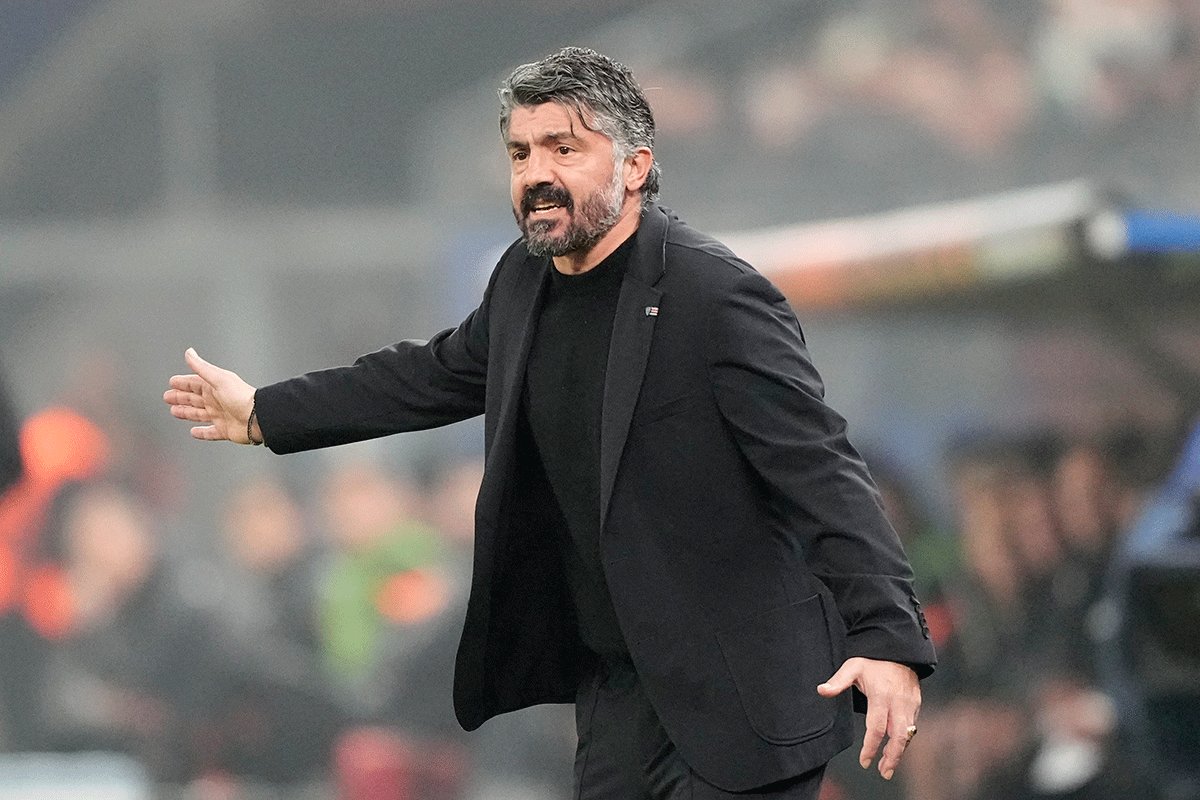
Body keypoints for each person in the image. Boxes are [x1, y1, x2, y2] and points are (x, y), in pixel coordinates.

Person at [165, 46, 935, 800]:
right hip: (617, 698)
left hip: (742, 692)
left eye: (564, 149)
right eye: (521, 152)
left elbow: (821, 471)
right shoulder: (521, 283)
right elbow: (424, 376)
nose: (536, 173)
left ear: (634, 167)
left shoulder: (715, 296)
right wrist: (265, 411)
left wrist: (887, 639)